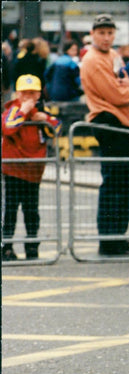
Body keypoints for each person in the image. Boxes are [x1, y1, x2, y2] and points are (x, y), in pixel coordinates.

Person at [80, 13, 129, 256]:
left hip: (118, 121)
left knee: (125, 182)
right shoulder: (94, 60)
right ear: (93, 33)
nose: (106, 38)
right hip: (108, 120)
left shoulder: (113, 56)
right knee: (120, 182)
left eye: (110, 33)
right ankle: (109, 240)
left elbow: (123, 79)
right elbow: (118, 94)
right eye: (101, 33)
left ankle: (115, 238)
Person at [1, 75, 61, 261]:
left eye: (32, 93)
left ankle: (32, 248)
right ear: (18, 94)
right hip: (14, 170)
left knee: (32, 213)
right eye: (25, 93)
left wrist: (45, 120)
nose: (29, 97)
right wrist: (22, 112)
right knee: (10, 211)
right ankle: (6, 247)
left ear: (38, 95)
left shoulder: (40, 112)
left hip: (34, 172)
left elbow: (57, 129)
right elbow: (8, 127)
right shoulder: (13, 110)